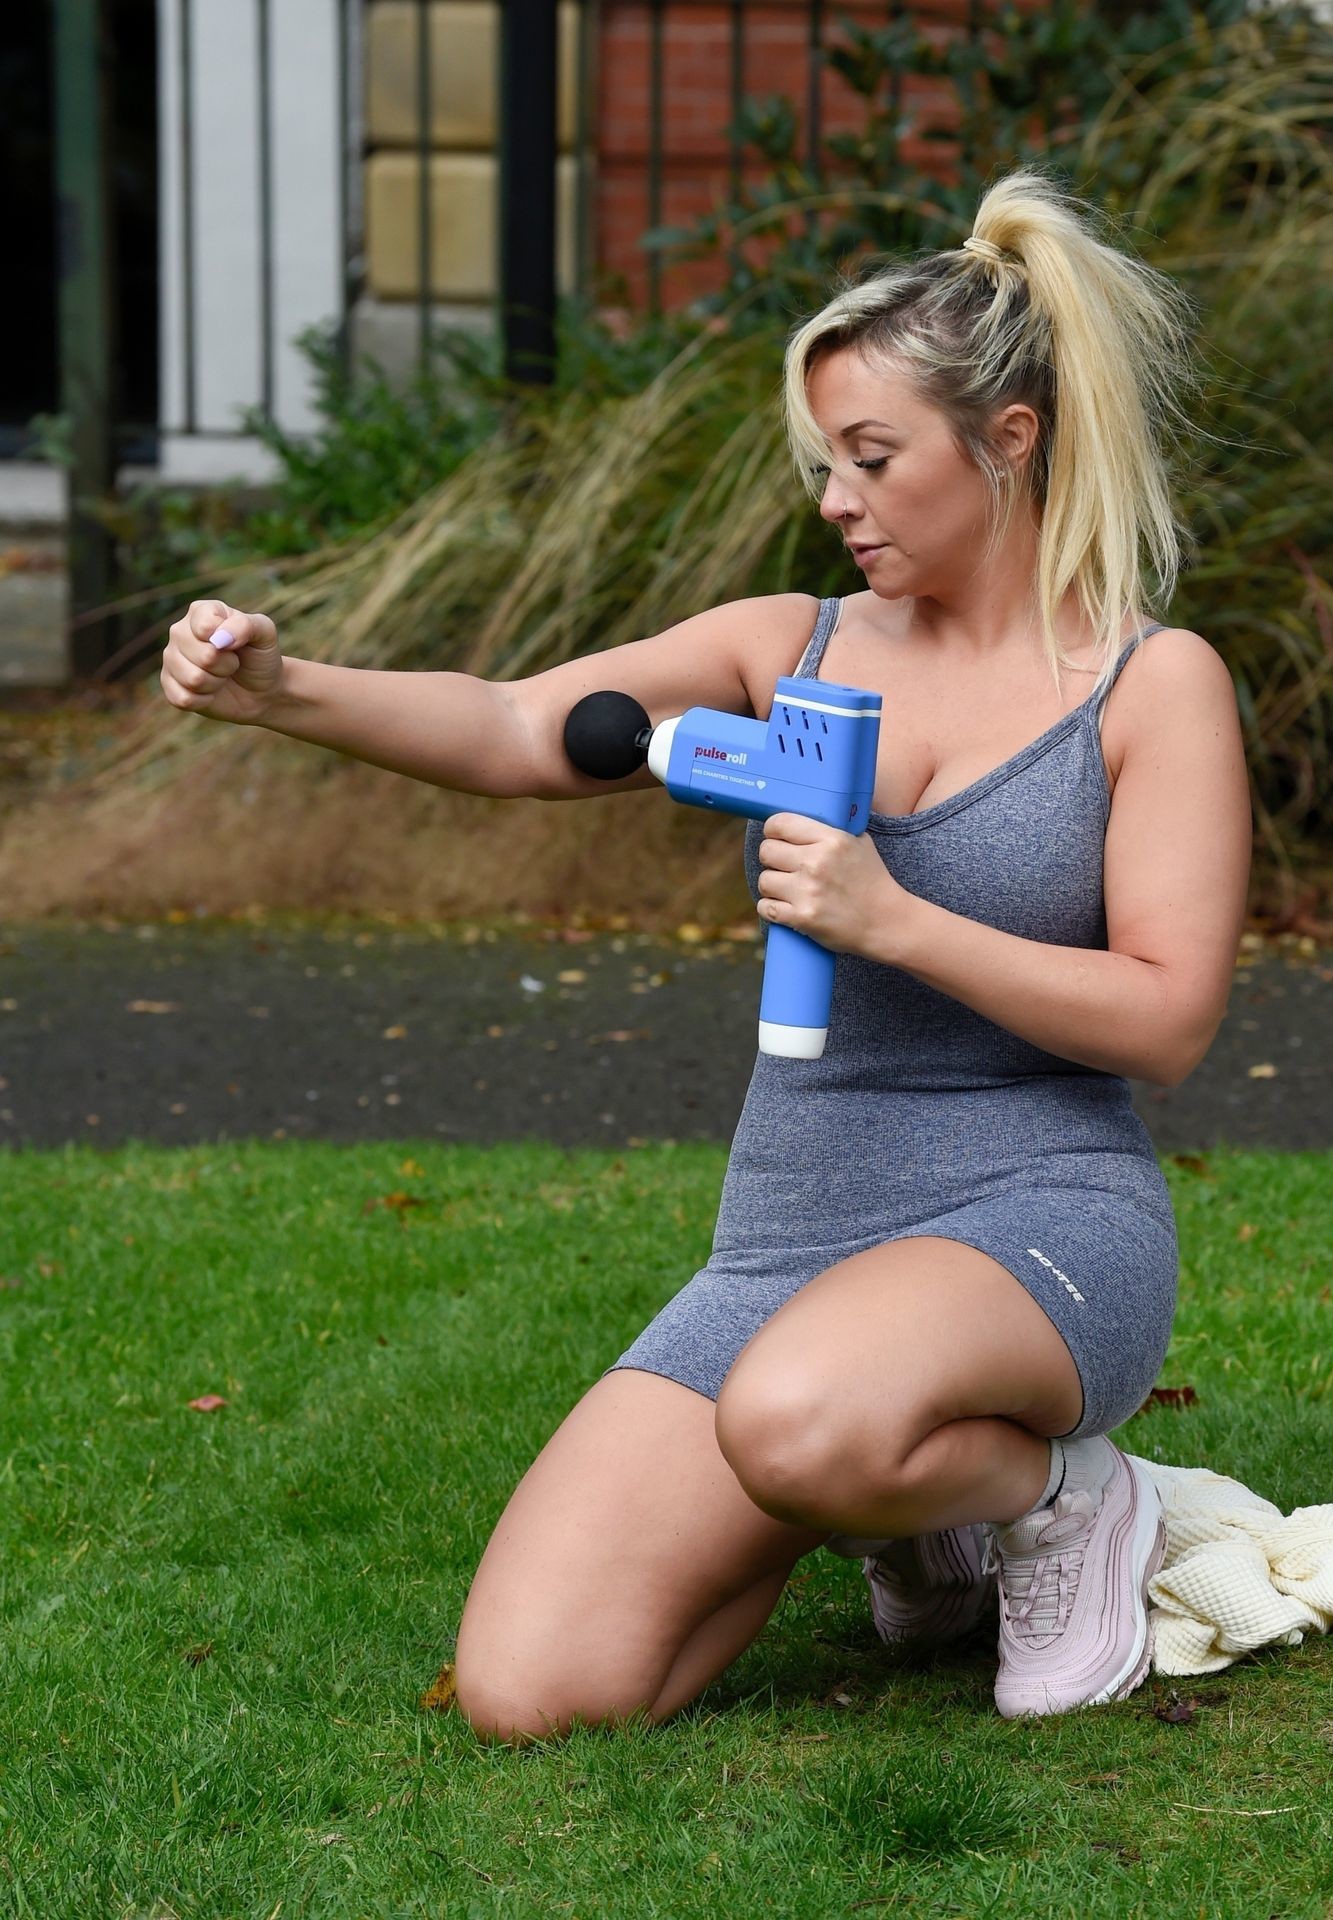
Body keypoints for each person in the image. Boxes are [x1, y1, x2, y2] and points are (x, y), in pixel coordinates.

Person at [159, 164, 1249, 1744]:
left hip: (1037, 1215)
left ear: (1008, 439)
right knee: (533, 1692)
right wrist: (285, 690)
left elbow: (1164, 1019)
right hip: (786, 1237)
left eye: (871, 457)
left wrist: (894, 920)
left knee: (802, 1420)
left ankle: (1060, 1497)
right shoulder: (776, 651)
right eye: (825, 463)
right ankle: (913, 1512)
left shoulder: (1150, 686)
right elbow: (520, 725)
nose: (836, 499)